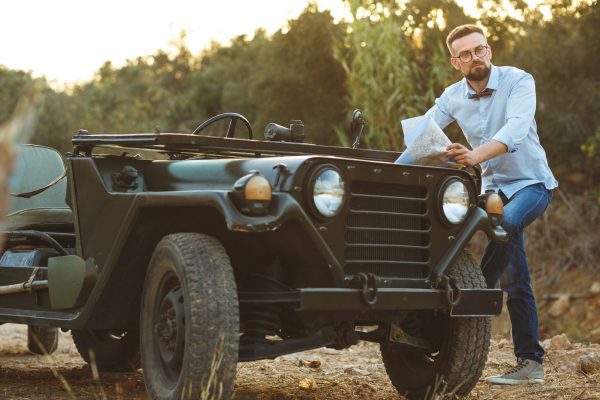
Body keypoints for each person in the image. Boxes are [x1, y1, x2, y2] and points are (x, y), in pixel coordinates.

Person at [425, 24, 558, 385]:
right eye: (465, 54)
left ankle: (473, 297)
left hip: (531, 184)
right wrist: (437, 155)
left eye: (479, 49)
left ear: (490, 51)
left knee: (506, 225)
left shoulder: (519, 81)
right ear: (456, 62)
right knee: (518, 280)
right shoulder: (451, 96)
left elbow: (516, 128)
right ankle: (530, 363)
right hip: (492, 190)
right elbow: (424, 134)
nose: (475, 57)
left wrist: (474, 156)